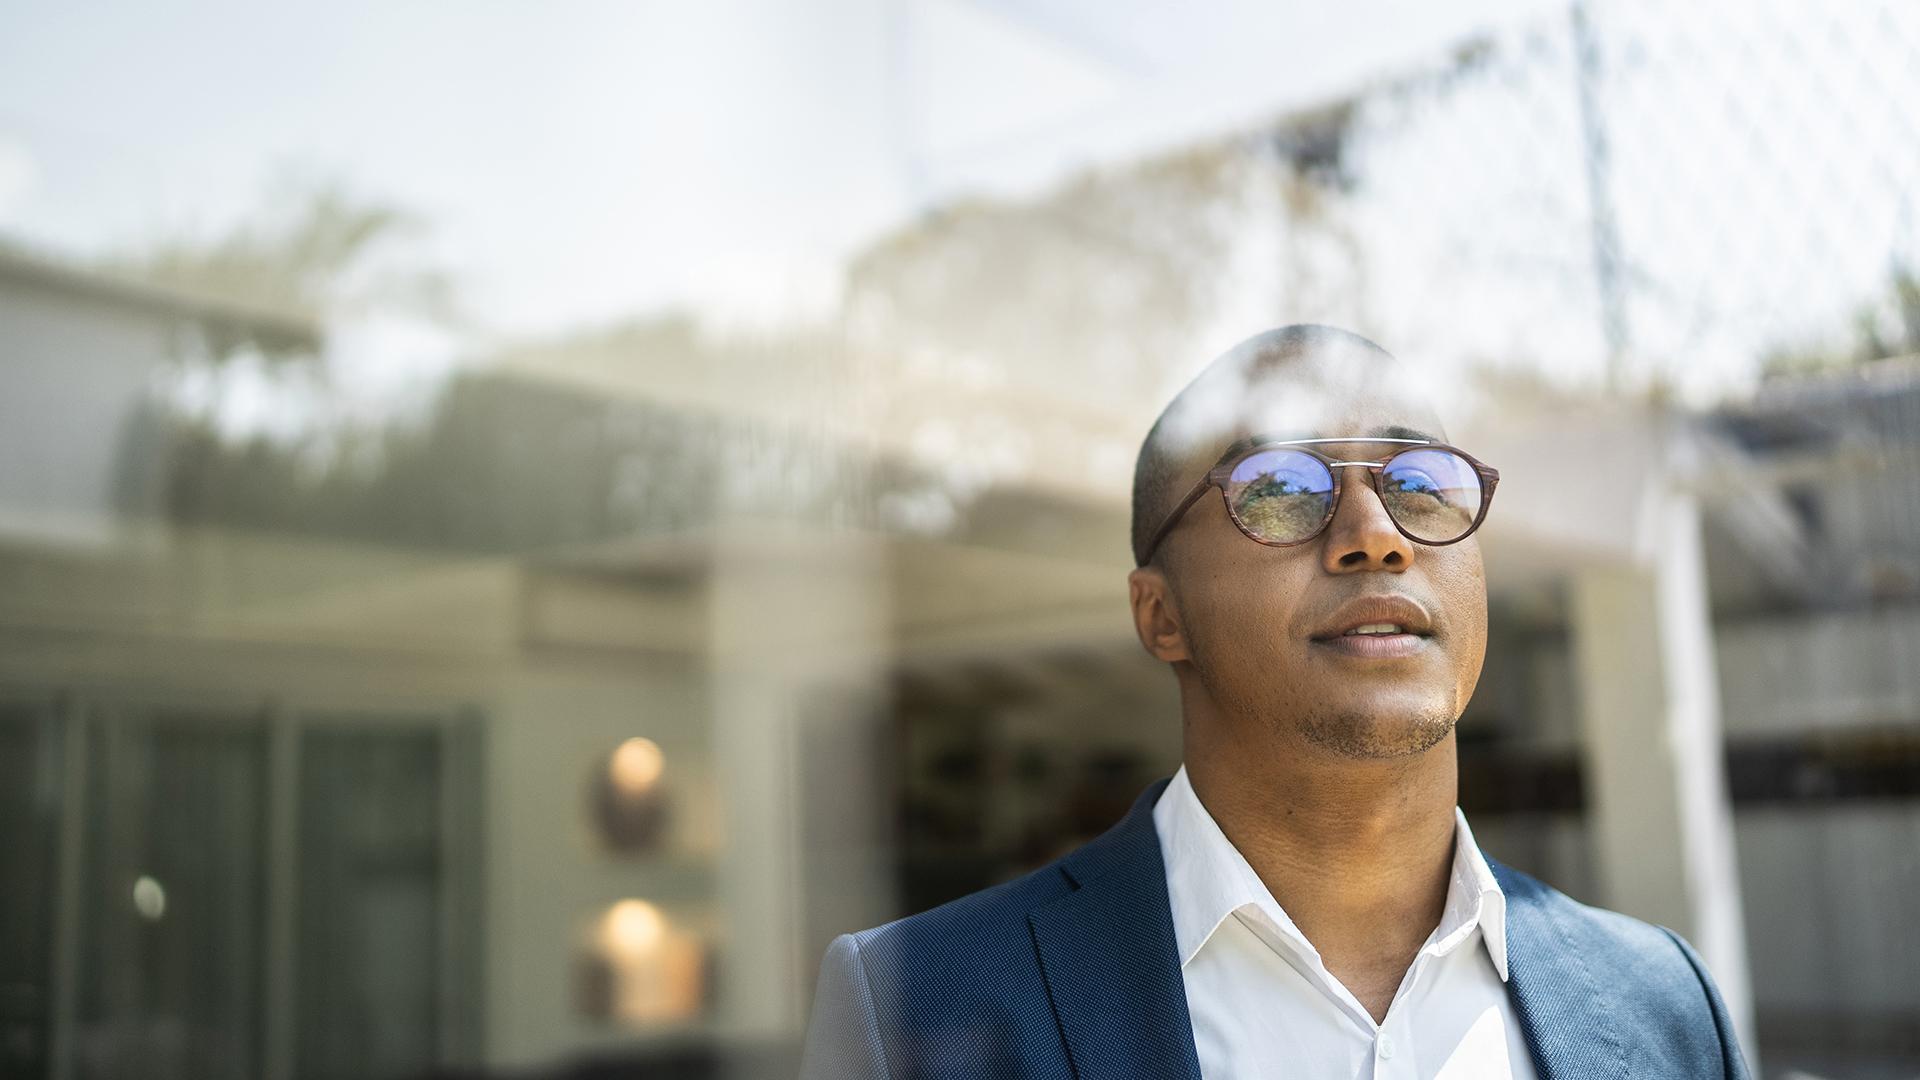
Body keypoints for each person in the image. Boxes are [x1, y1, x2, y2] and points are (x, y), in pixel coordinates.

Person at [799, 326, 1750, 1079]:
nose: (1375, 535)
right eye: (1282, 490)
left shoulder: (1665, 1004)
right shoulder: (915, 1014)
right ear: (1160, 615)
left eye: (1419, 483)